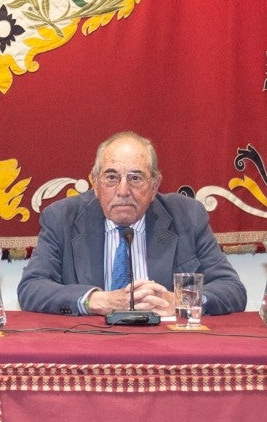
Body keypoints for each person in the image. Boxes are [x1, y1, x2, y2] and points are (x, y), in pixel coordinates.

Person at [18, 131, 246, 317]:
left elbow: (232, 289)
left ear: (155, 185)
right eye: (111, 177)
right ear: (95, 183)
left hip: (164, 351)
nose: (123, 191)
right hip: (90, 347)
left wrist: (180, 300)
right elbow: (32, 288)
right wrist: (97, 301)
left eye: (135, 178)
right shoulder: (61, 218)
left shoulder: (187, 216)